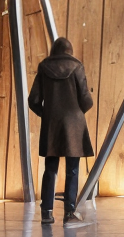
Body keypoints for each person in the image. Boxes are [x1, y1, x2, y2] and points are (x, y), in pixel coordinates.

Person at [28, 36, 95, 226]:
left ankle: (46, 213)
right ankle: (69, 213)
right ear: (69, 50)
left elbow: (33, 100)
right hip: (74, 125)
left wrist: (47, 114)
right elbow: (86, 100)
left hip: (52, 124)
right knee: (72, 170)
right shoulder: (77, 66)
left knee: (50, 169)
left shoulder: (43, 67)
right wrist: (77, 111)